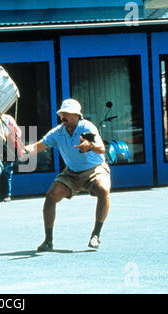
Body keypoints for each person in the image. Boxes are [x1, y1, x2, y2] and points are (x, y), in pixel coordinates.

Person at [23, 99, 111, 251]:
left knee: (103, 190)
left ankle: (96, 235)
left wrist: (89, 146)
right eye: (62, 113)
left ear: (77, 116)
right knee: (51, 196)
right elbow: (37, 147)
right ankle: (48, 241)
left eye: (67, 114)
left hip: (95, 169)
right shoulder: (58, 132)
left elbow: (101, 148)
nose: (63, 116)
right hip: (71, 172)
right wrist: (19, 151)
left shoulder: (86, 127)